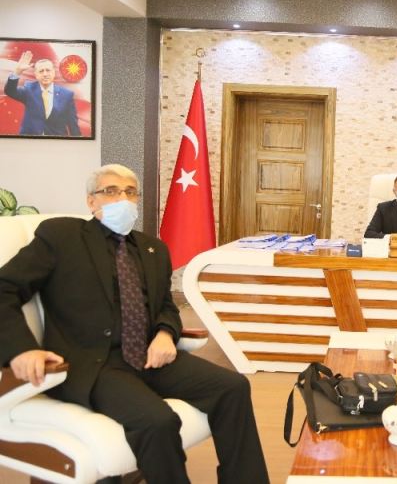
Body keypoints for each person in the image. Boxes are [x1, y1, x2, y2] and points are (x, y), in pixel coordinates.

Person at [0, 164, 269, 484]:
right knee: (158, 420)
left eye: (130, 192)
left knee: (233, 387)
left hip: (149, 356)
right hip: (94, 365)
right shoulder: (62, 237)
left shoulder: (153, 249)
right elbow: (5, 289)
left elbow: (165, 306)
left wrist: (166, 333)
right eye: (110, 191)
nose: (122, 199)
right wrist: (22, 349)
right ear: (91, 201)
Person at [4, 50, 81, 136]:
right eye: (41, 71)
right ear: (36, 75)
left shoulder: (67, 95)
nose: (45, 74)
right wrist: (17, 72)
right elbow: (10, 91)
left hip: (56, 141)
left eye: (48, 70)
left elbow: (73, 125)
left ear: (53, 72)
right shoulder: (29, 90)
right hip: (30, 140)